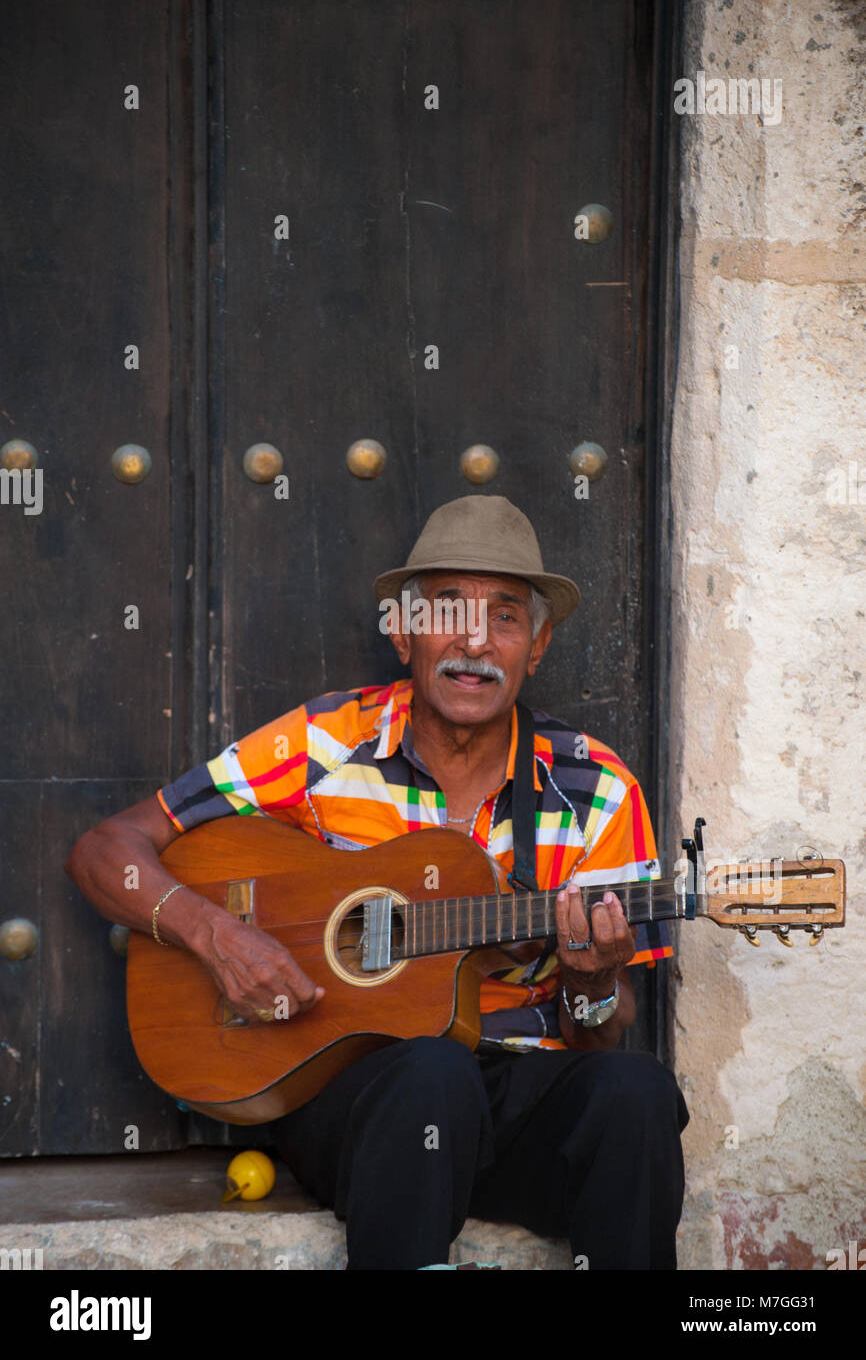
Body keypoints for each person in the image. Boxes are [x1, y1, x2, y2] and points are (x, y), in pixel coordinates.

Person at [66, 494, 689, 1270]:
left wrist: (590, 983)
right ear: (402, 632)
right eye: (448, 611)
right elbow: (106, 850)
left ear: (536, 647)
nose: (475, 641)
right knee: (432, 1069)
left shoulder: (596, 789)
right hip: (361, 1104)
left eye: (505, 616)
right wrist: (215, 934)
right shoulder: (323, 744)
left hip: (517, 1096)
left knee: (637, 1092)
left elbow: (598, 1031)